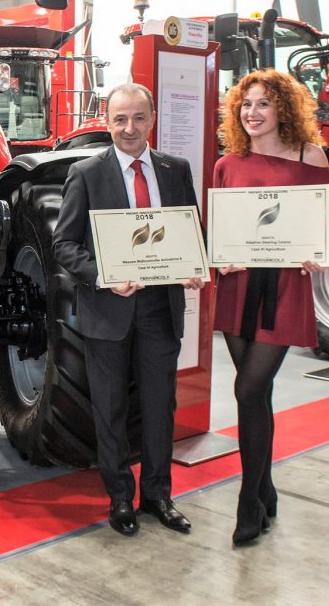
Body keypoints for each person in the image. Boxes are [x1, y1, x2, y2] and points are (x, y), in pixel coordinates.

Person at [53, 83, 205, 537]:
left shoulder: (175, 170)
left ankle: (158, 494)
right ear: (107, 119)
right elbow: (64, 245)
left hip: (161, 306)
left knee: (161, 407)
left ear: (152, 118)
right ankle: (120, 498)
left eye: (138, 118)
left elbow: (189, 228)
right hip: (107, 309)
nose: (129, 128)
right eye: (120, 119)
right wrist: (103, 275)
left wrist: (193, 264)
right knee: (111, 408)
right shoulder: (86, 172)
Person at [212, 69, 329, 546]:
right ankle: (266, 489)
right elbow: (221, 225)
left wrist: (317, 249)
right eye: (246, 104)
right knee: (255, 395)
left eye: (263, 103)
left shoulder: (311, 156)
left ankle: (249, 498)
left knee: (248, 390)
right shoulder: (229, 163)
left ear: (282, 108)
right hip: (238, 286)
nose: (253, 113)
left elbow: (326, 217)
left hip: (285, 286)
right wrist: (218, 255)